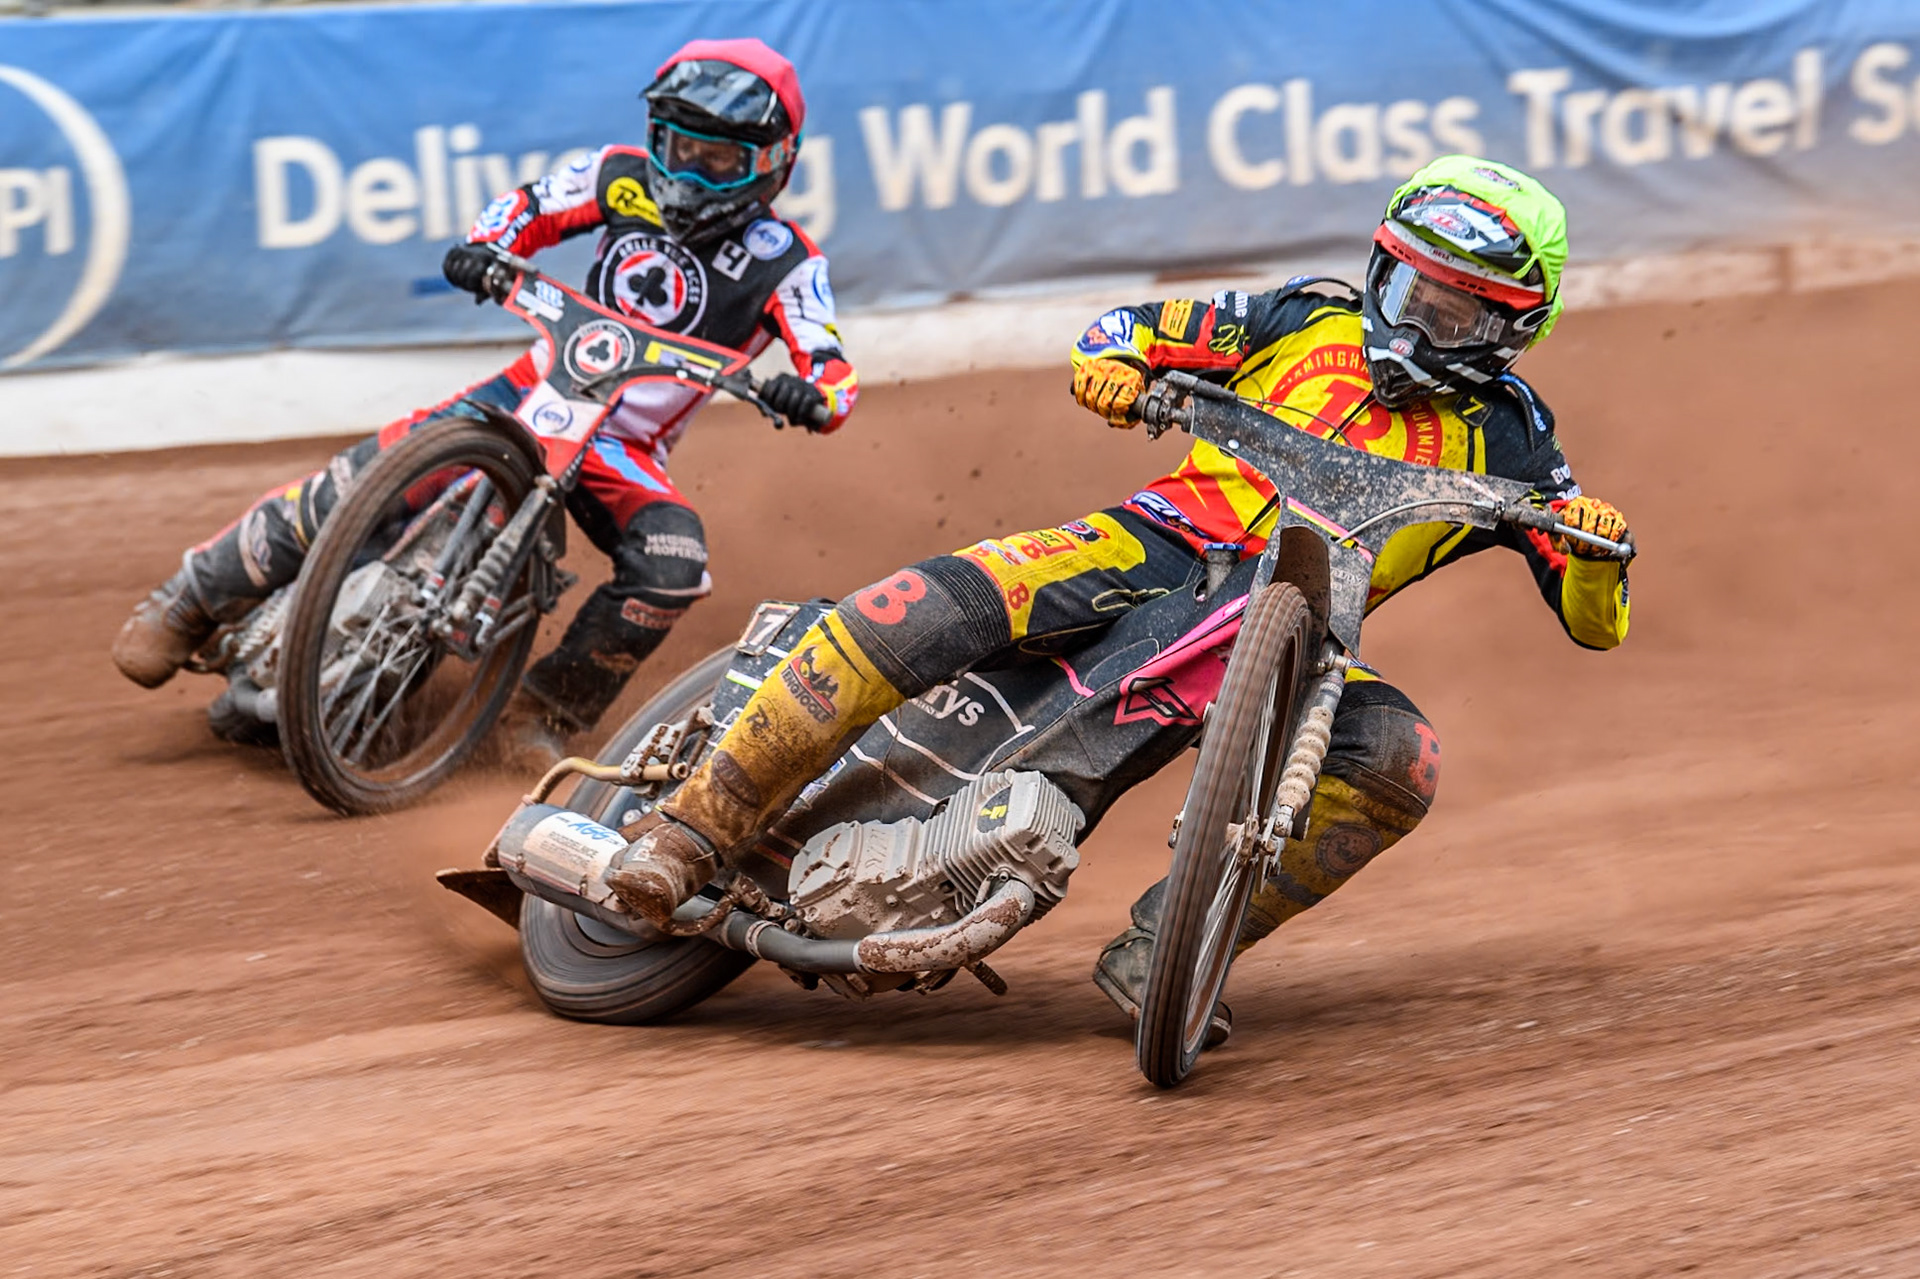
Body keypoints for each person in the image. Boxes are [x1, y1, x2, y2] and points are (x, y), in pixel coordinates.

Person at [606, 154, 1632, 1043]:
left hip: (1304, 640)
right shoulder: (1302, 320)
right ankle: (686, 830)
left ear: (1512, 329)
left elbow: (1595, 625)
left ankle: (1172, 947)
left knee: (1402, 757)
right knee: (908, 610)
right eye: (1408, 289)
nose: (1417, 321)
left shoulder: (1518, 440)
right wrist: (1114, 364)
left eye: (1451, 311)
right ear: (1377, 267)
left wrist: (1597, 553)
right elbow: (1128, 326)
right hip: (1147, 541)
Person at [112, 37, 858, 755]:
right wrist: (489, 247)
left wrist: (812, 394)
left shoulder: (787, 262)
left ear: (770, 163)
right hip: (530, 388)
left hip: (621, 447)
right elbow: (529, 206)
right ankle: (189, 598)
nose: (689, 171)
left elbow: (831, 364)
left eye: (717, 157)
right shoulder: (619, 174)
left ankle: (545, 712)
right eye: (678, 145)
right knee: (367, 476)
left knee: (674, 563)